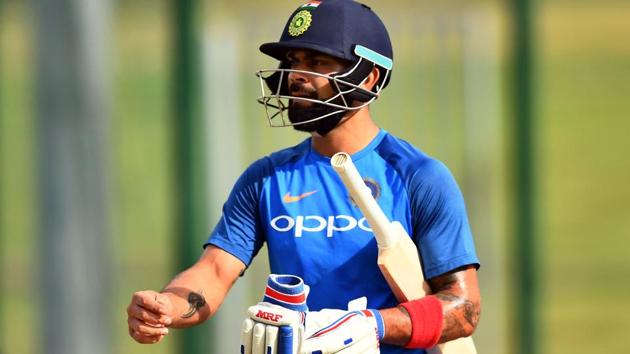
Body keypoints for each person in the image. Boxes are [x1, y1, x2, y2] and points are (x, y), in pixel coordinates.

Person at [126, 1, 481, 353]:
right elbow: (214, 272)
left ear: (368, 76)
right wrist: (166, 307)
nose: (296, 75)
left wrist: (370, 326)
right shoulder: (266, 178)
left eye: (317, 62)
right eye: (293, 62)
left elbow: (463, 310)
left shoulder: (419, 177)